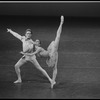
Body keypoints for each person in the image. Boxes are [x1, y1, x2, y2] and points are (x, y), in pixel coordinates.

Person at [22, 15, 64, 88]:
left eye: (37, 41)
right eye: (36, 41)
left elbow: (33, 53)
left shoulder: (39, 49)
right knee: (55, 40)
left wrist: (24, 53)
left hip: (51, 53)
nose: (36, 41)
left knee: (57, 37)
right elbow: (30, 46)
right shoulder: (34, 46)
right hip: (50, 54)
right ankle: (52, 82)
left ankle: (61, 22)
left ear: (39, 44)